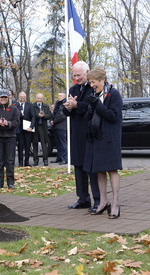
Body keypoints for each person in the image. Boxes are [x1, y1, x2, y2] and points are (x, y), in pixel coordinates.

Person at [83, 66, 122, 219]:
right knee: (99, 170)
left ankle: (115, 203)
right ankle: (103, 201)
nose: (92, 85)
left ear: (102, 80)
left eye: (94, 82)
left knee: (112, 170)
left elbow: (113, 116)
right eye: (90, 82)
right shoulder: (95, 94)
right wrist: (91, 108)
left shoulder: (114, 94)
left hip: (110, 139)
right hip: (96, 138)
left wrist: (97, 105)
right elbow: (88, 116)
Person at [63, 61, 100, 213]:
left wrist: (77, 106)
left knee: (92, 168)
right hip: (76, 134)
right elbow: (66, 112)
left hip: (90, 134)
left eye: (79, 75)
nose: (76, 78)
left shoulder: (93, 88)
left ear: (87, 72)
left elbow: (92, 107)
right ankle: (83, 198)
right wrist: (67, 106)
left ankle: (98, 200)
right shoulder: (73, 89)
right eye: (74, 75)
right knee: (78, 167)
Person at [0, 90, 20, 189]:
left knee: (10, 161)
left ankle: (10, 182)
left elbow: (17, 122)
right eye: (1, 97)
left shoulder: (14, 109)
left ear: (8, 98)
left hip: (10, 137)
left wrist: (8, 123)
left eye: (5, 97)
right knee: (0, 161)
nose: (3, 99)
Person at [16, 91, 36, 167]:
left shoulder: (30, 105)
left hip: (28, 129)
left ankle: (27, 162)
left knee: (27, 145)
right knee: (20, 145)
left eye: (24, 98)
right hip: (19, 129)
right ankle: (20, 162)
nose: (22, 99)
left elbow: (33, 116)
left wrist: (31, 126)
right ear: (19, 97)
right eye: (21, 98)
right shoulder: (16, 105)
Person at [32, 93, 51, 166]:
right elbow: (32, 115)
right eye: (38, 98)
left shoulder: (46, 106)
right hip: (35, 126)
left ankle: (45, 160)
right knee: (35, 143)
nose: (39, 100)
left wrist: (44, 115)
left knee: (44, 143)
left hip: (43, 127)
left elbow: (49, 115)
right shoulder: (33, 106)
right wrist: (37, 115)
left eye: (41, 98)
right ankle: (35, 160)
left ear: (42, 99)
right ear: (36, 99)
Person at [50, 92, 67, 165]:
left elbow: (62, 115)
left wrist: (54, 121)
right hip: (55, 126)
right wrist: (51, 120)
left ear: (64, 96)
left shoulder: (65, 103)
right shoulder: (57, 103)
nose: (59, 97)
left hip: (62, 126)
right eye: (58, 95)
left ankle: (65, 158)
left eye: (60, 95)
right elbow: (54, 113)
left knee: (63, 143)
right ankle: (59, 157)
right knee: (58, 144)